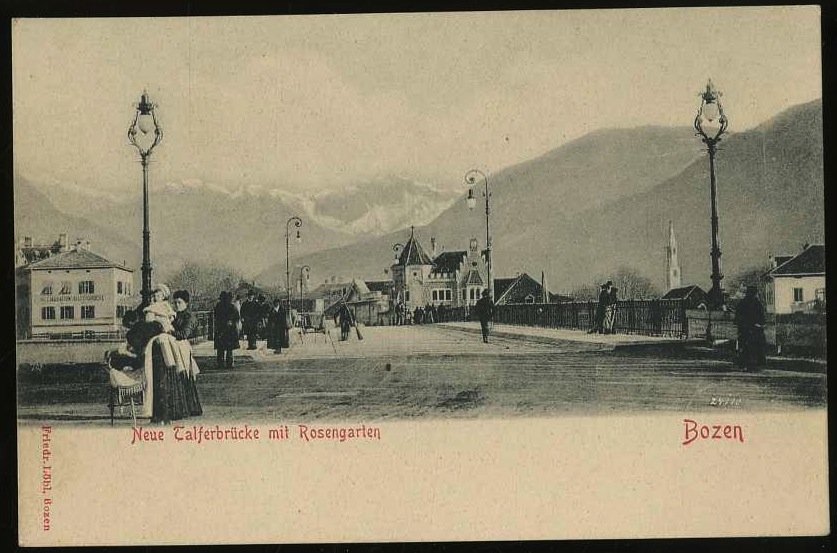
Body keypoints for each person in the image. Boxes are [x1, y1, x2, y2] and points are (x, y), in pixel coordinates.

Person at [171, 290, 202, 416]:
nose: (177, 305)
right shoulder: (175, 315)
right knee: (178, 377)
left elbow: (184, 334)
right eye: (175, 302)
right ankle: (182, 408)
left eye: (179, 302)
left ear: (186, 303)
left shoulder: (190, 317)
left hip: (183, 349)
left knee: (185, 378)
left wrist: (169, 330)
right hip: (176, 349)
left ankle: (189, 408)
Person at [734, 285, 766, 371]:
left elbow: (737, 316)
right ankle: (753, 365)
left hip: (744, 329)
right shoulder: (757, 303)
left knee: (744, 347)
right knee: (755, 347)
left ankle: (744, 365)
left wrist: (740, 324)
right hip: (755, 329)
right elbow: (761, 317)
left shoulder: (742, 303)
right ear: (755, 293)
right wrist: (760, 324)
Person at [213, 291, 240, 369]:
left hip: (221, 329)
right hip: (229, 330)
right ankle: (229, 363)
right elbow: (237, 318)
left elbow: (216, 317)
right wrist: (231, 322)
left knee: (221, 348)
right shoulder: (232, 307)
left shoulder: (218, 306)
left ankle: (220, 363)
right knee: (229, 348)